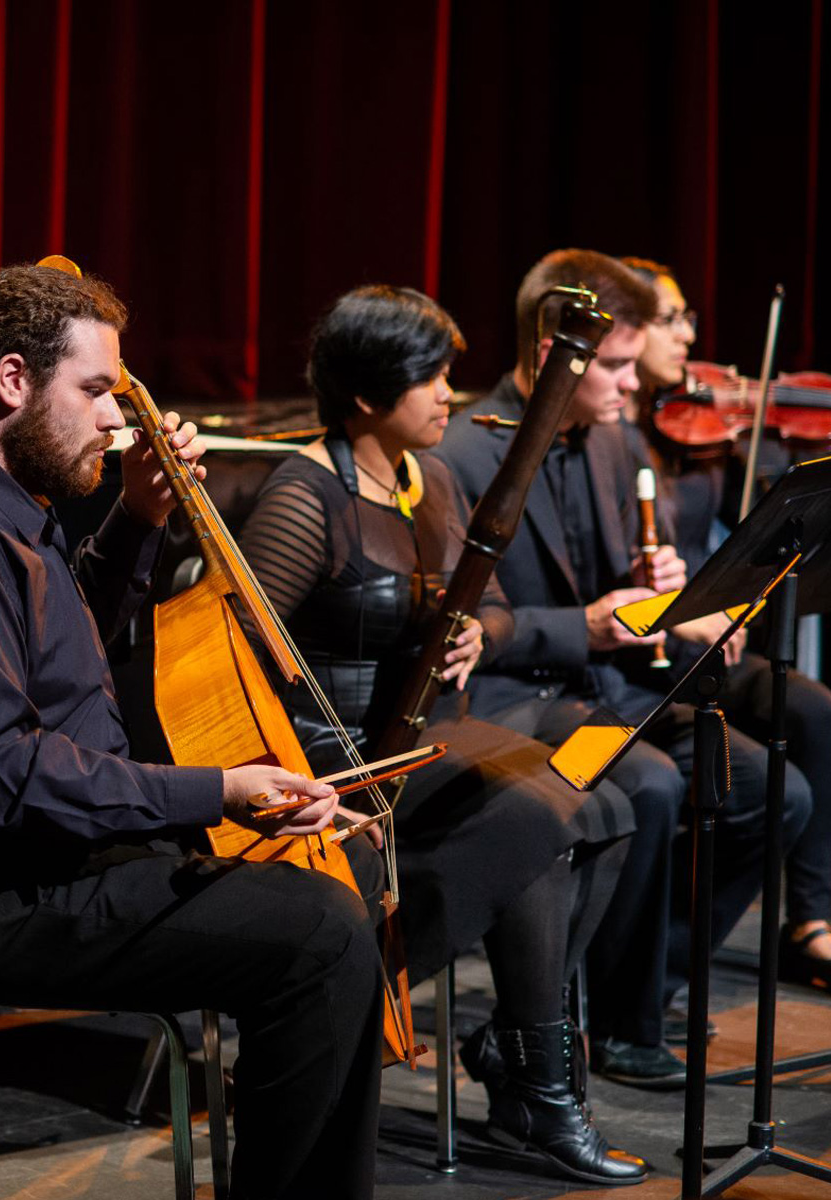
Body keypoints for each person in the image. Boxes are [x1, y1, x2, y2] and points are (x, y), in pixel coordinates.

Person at [0, 262, 384, 1200]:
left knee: (345, 873)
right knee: (320, 935)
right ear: (15, 381)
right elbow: (5, 775)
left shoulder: (4, 505)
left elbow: (59, 646)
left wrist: (138, 517)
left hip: (51, 857)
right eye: (95, 391)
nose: (115, 419)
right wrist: (217, 791)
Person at [237, 285, 644, 1186]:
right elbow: (237, 652)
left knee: (607, 802)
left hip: (423, 739)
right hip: (336, 757)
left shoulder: (431, 479)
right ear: (367, 394)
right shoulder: (306, 495)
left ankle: (518, 1050)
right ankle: (536, 1082)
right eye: (430, 376)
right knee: (535, 823)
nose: (448, 393)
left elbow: (489, 604)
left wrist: (478, 635)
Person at [434, 248, 812, 1089]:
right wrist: (588, 626)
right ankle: (610, 1026)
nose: (634, 385)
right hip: (512, 703)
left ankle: (638, 989)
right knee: (650, 784)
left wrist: (671, 592)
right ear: (555, 355)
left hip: (607, 691)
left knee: (774, 792)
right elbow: (471, 630)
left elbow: (630, 583)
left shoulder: (611, 439)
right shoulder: (464, 452)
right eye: (614, 366)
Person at [624, 256, 831, 991]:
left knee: (812, 708)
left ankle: (811, 920)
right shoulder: (610, 440)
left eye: (688, 319)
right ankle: (656, 970)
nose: (688, 335)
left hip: (705, 648)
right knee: (752, 780)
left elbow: (752, 520)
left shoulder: (702, 438)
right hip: (644, 656)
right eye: (670, 320)